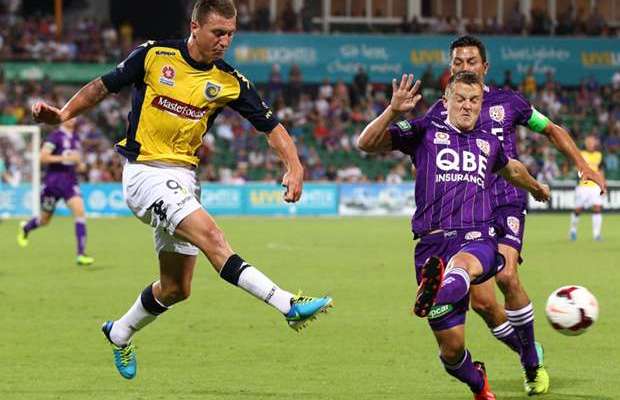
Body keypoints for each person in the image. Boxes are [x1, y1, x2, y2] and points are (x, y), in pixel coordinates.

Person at [31, 0, 332, 380]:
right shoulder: (155, 55)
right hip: (144, 173)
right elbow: (102, 87)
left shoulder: (229, 81)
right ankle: (286, 303)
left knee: (176, 288)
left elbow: (271, 127)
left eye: (230, 34)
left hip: (184, 179)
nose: (224, 41)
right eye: (217, 33)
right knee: (213, 238)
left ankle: (120, 331)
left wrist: (295, 165)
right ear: (195, 26)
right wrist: (62, 115)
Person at [426, 35, 606, 395]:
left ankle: (531, 366)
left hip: (506, 199)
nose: (465, 68)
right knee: (483, 303)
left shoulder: (508, 102)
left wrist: (582, 165)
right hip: (467, 211)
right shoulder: (441, 110)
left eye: (471, 62)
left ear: (485, 67)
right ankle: (529, 351)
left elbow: (552, 129)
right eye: (458, 63)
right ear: (451, 69)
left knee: (507, 275)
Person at [358, 71, 550, 400]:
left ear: (480, 104)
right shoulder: (424, 130)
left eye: (474, 100)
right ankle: (478, 382)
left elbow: (512, 168)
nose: (467, 106)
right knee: (452, 351)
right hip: (431, 246)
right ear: (445, 101)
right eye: (459, 99)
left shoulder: (489, 142)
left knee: (462, 265)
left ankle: (442, 285)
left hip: (478, 240)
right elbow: (366, 143)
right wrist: (392, 110)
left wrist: (537, 187)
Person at [16, 118, 94, 266]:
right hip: (53, 183)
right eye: (70, 117)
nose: (73, 119)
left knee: (80, 211)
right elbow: (43, 157)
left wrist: (81, 165)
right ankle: (26, 227)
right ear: (63, 119)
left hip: (70, 182)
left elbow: (76, 162)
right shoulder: (55, 136)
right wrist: (65, 158)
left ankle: (81, 254)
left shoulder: (76, 138)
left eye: (75, 116)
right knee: (45, 220)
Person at [570, 135, 605, 240]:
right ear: (586, 143)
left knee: (597, 208)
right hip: (583, 186)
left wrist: (603, 184)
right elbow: (577, 168)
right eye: (588, 142)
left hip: (595, 186)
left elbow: (601, 171)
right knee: (578, 209)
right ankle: (573, 230)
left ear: (595, 143)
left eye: (592, 142)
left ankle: (596, 234)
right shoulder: (581, 154)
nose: (590, 144)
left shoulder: (599, 155)